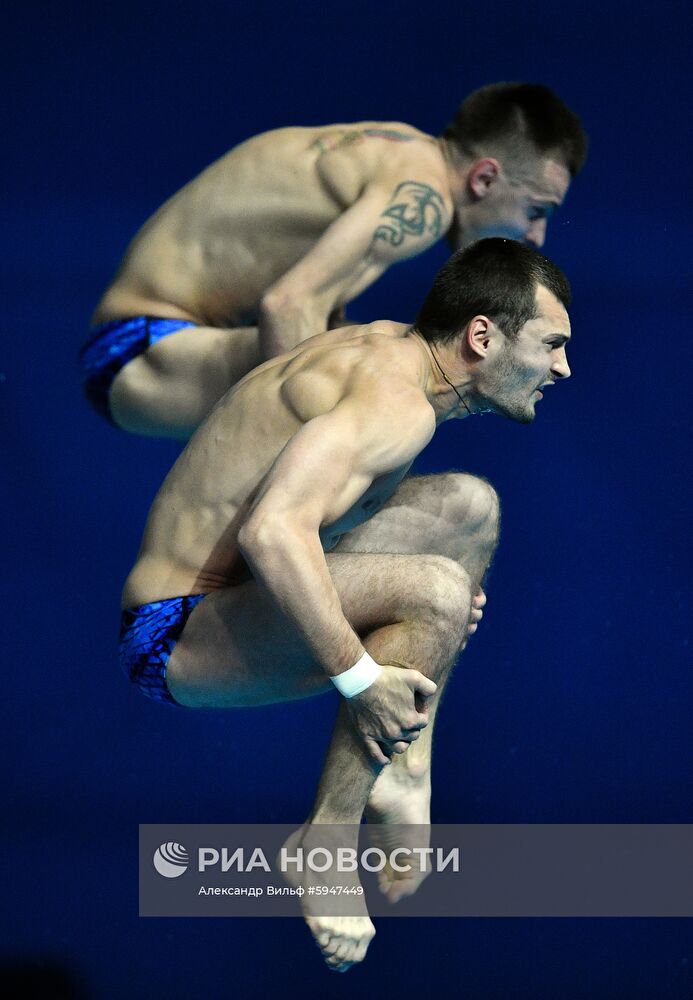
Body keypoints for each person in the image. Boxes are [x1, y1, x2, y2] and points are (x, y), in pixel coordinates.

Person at [118, 238, 572, 970]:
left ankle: (404, 768)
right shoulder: (397, 406)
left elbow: (303, 515)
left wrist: (419, 603)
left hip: (227, 596)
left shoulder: (390, 351)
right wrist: (364, 676)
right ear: (481, 336)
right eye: (551, 345)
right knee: (436, 590)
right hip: (171, 635)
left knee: (468, 509)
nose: (561, 368)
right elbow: (272, 532)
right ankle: (324, 842)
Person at [80, 83, 585, 439]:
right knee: (385, 374)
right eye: (536, 210)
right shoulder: (422, 200)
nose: (536, 235)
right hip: (134, 352)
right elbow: (286, 305)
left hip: (143, 345)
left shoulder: (397, 150)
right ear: (484, 178)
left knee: (377, 355)